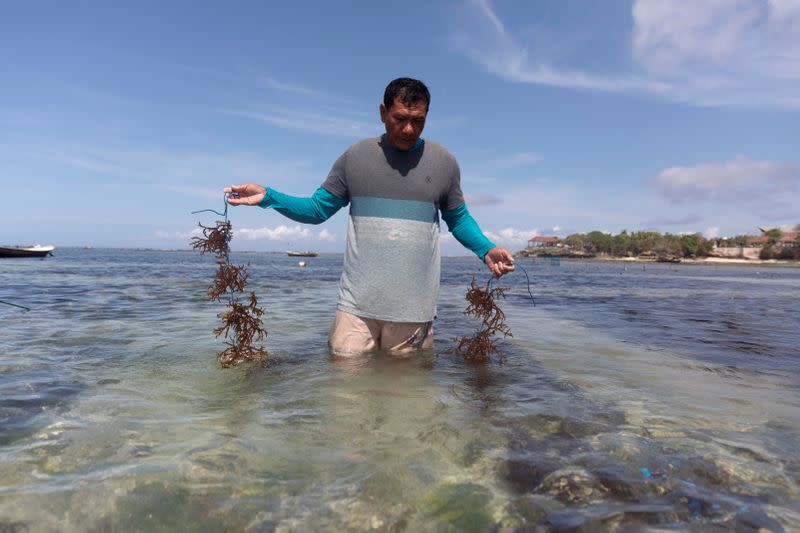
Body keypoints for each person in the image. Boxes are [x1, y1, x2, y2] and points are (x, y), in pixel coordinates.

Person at [225, 77, 515, 356]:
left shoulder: (444, 162)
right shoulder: (355, 158)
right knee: (347, 393)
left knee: (408, 397)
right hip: (356, 308)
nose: (409, 129)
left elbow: (459, 219)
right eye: (400, 118)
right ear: (382, 112)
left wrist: (485, 249)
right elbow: (316, 210)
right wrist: (270, 197)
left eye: (418, 121)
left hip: (414, 310)